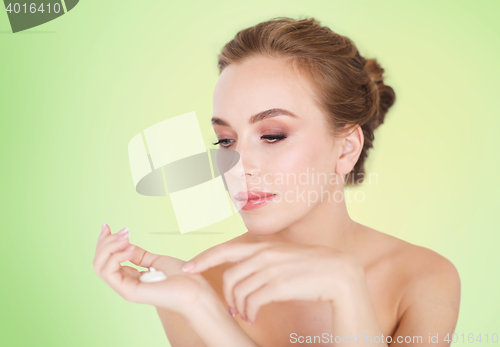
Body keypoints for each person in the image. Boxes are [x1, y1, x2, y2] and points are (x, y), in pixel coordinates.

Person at [93, 17, 461, 347]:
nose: (237, 165)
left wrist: (348, 290)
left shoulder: (424, 278)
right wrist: (201, 308)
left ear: (346, 147)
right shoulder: (193, 287)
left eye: (271, 135)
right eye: (225, 140)